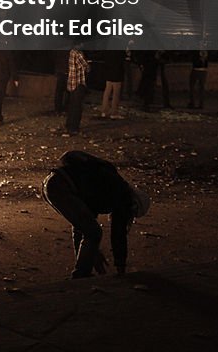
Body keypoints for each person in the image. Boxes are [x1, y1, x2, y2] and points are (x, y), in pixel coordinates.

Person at [41, 149, 150, 278]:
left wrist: (93, 253)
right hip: (62, 187)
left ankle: (81, 271)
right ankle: (81, 274)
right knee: (93, 232)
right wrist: (121, 268)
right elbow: (118, 234)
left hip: (50, 184)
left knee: (87, 230)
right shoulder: (122, 196)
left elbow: (82, 228)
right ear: (133, 204)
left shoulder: (107, 187)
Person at [64, 47, 89, 136]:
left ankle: (69, 125)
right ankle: (74, 127)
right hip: (79, 83)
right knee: (77, 107)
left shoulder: (71, 51)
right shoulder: (78, 53)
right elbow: (85, 66)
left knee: (72, 106)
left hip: (71, 82)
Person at [100, 49, 126, 118]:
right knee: (116, 94)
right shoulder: (120, 51)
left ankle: (104, 111)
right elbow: (122, 59)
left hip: (109, 72)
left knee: (107, 92)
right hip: (117, 74)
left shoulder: (108, 50)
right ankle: (114, 112)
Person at [53, 49, 70, 115]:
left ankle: (58, 109)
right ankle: (64, 108)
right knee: (67, 92)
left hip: (61, 70)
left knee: (59, 92)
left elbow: (55, 58)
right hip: (66, 71)